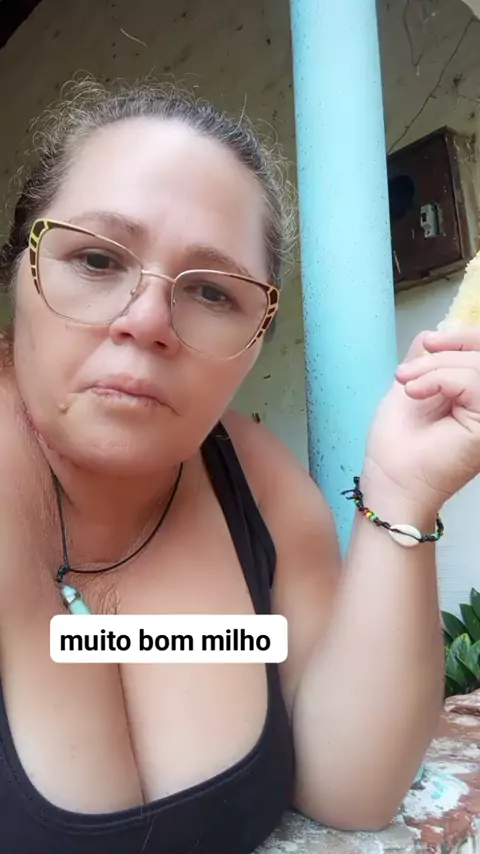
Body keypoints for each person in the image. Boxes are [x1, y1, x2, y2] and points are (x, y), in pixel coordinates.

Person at [0, 77, 478, 854]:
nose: (147, 320)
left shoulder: (259, 486)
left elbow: (351, 787)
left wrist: (403, 494)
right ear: (17, 270)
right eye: (95, 258)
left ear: (257, 338)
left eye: (212, 292)